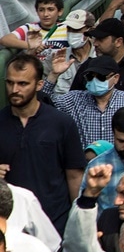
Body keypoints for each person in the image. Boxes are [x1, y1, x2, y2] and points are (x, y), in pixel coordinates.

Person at [0, 54, 86, 233]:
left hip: (55, 222)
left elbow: (74, 176)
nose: (14, 89)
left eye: (23, 84)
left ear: (39, 85)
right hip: (10, 225)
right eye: (10, 82)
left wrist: (79, 222)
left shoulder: (61, 123)